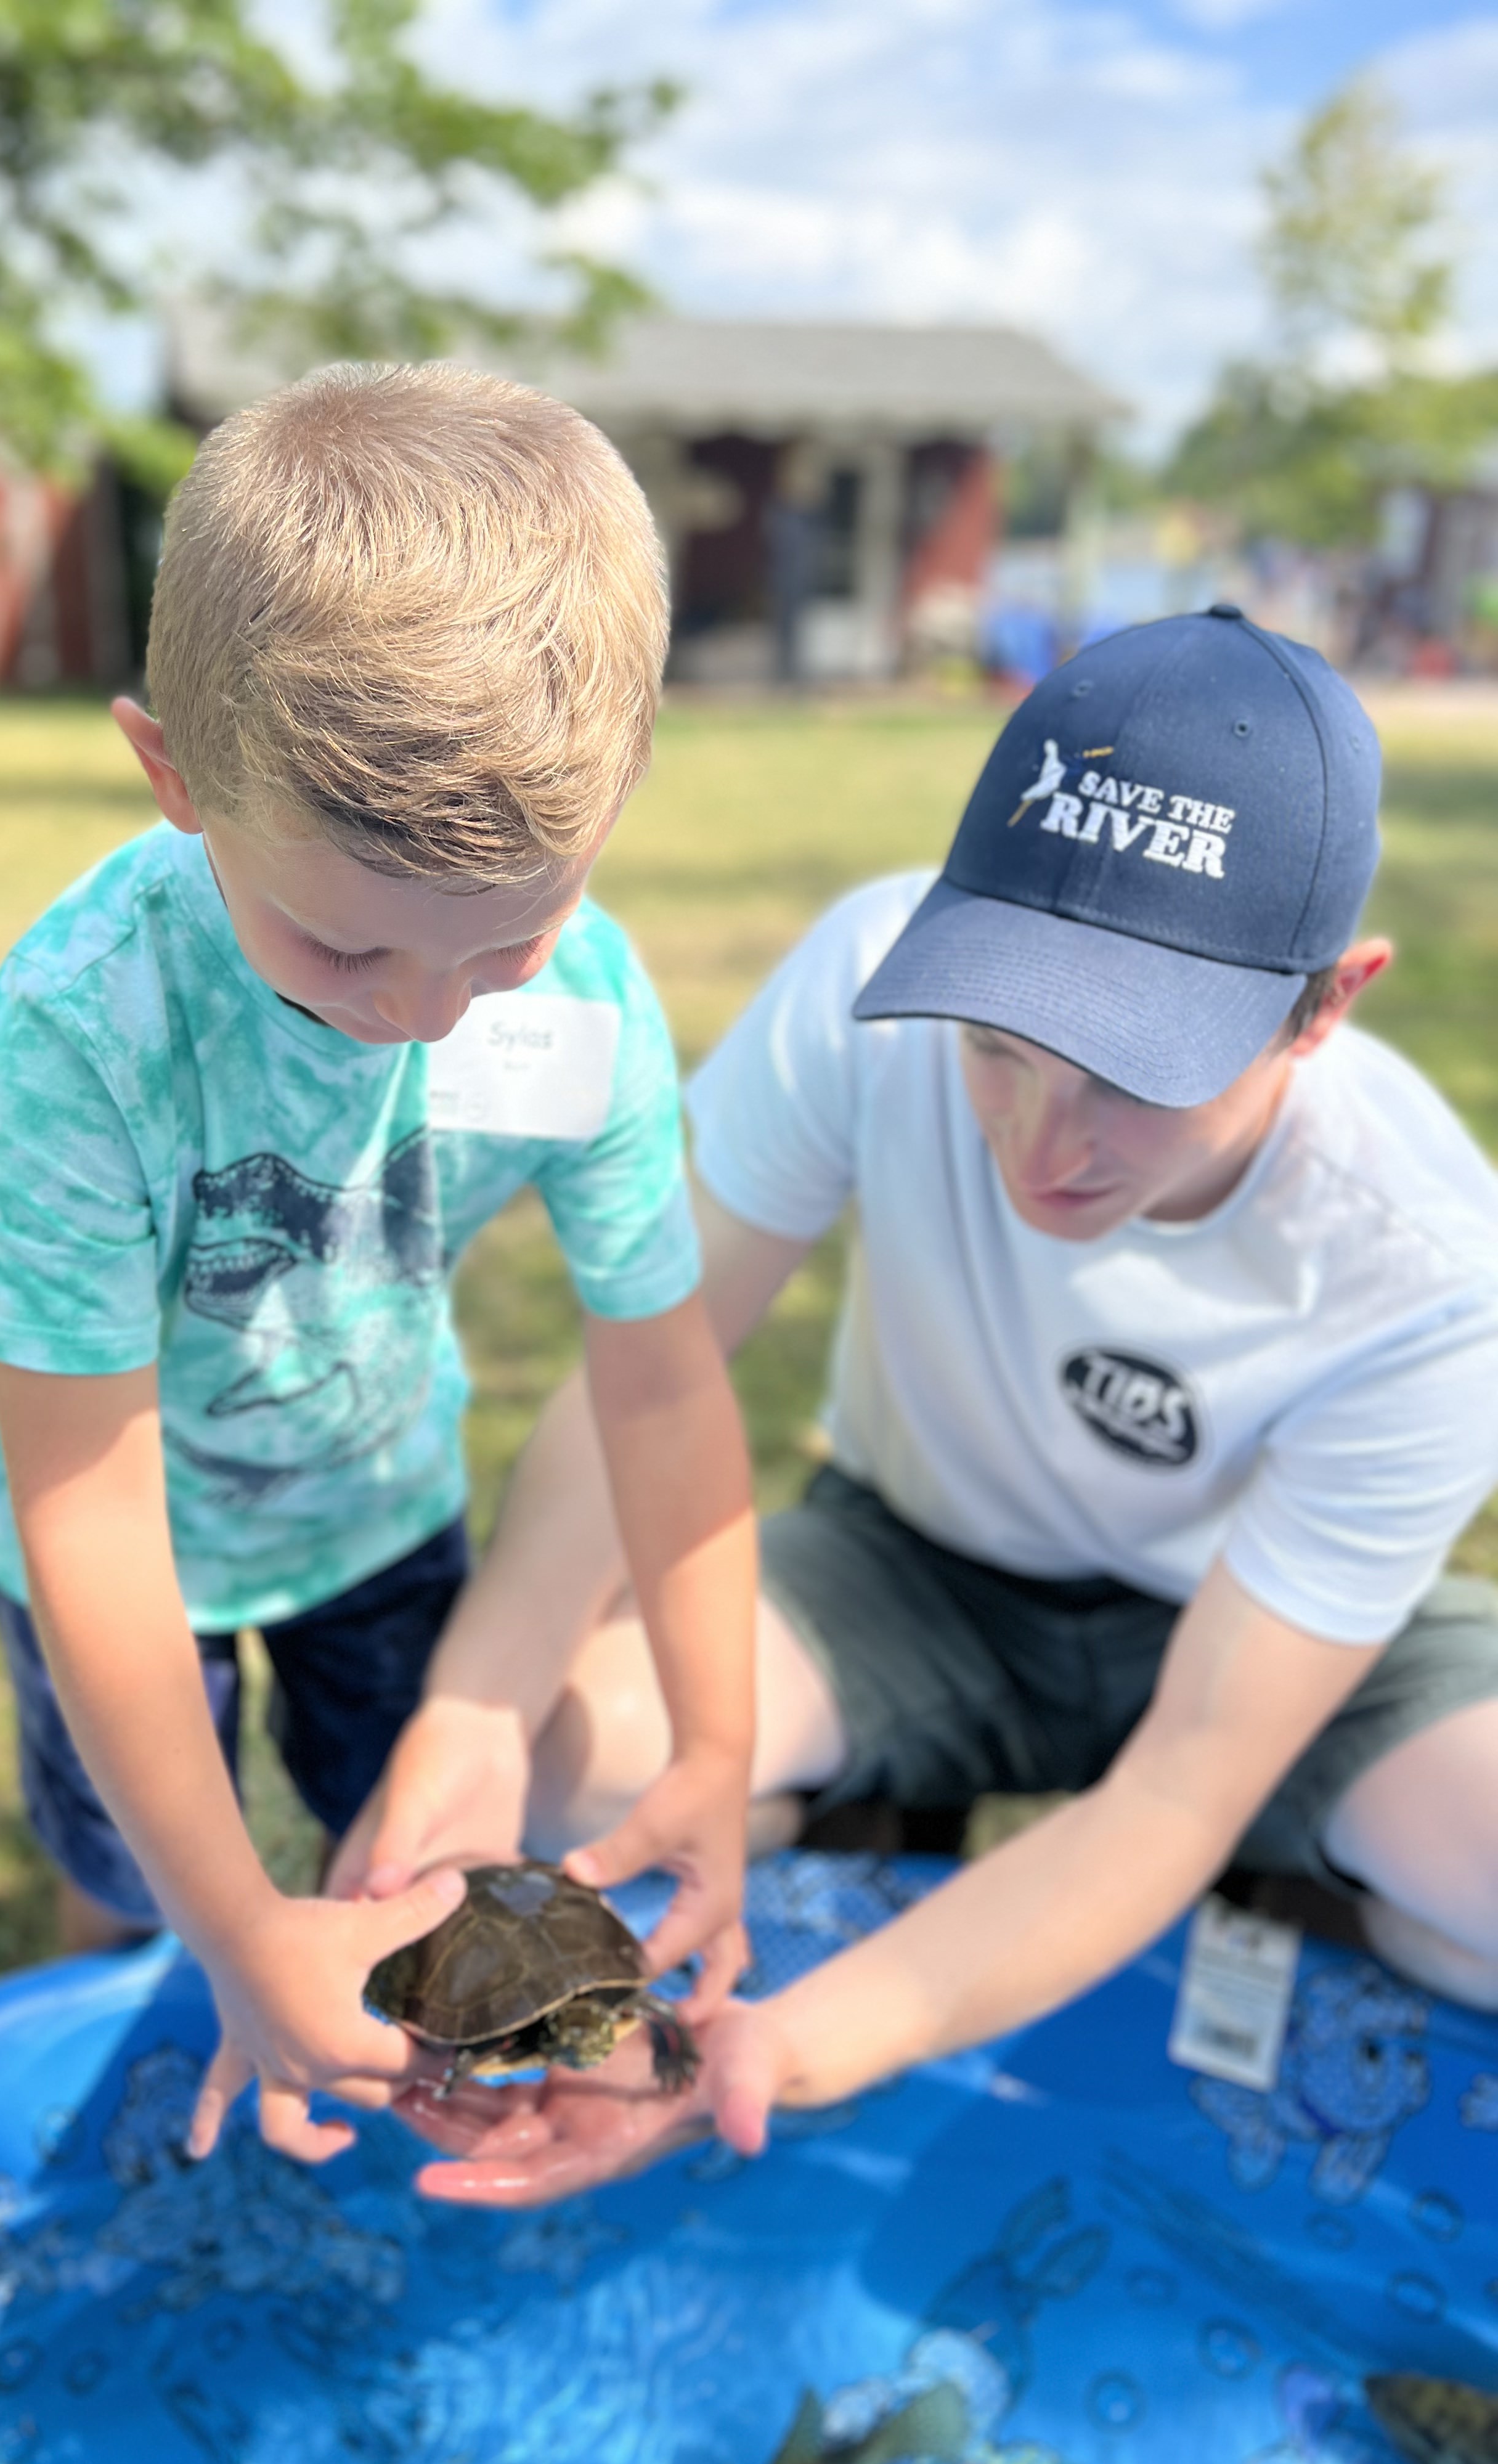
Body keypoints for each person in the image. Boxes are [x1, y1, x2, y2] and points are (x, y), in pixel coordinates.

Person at [389, 605, 1498, 2207]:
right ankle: (839, 1826)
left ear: (1323, 1004)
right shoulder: (864, 974)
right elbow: (645, 1369)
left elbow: (1188, 1772)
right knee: (569, 1769)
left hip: (1286, 1659)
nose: (1042, 1141)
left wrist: (777, 2053)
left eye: (1137, 1072)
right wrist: (474, 1713)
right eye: (997, 1042)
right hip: (918, 1565)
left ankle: (1294, 1905)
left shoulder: (1439, 1274)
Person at [0, 365, 757, 2168]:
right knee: (126, 1861)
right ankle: (115, 2017)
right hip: (102, 1527)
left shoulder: (599, 1003)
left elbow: (663, 1376)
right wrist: (230, 1935)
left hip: (375, 1506)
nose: (418, 1013)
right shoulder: (84, 1028)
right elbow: (89, 1507)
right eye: (340, 944)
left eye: (507, 943)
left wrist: (715, 1740)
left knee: (401, 1868)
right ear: (174, 774)